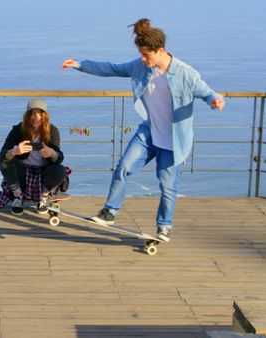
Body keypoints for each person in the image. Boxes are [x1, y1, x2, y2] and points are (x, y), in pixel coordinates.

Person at [62, 18, 225, 242]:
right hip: (149, 132)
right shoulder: (141, 67)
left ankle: (164, 226)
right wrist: (80, 64)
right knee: (124, 166)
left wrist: (215, 100)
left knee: (167, 186)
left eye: (146, 55)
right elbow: (112, 68)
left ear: (160, 51)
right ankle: (110, 211)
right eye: (141, 54)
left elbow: (207, 92)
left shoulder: (186, 74)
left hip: (173, 140)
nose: (142, 58)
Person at [0, 98, 68, 215]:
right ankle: (18, 196)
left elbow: (59, 157)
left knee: (60, 169)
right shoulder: (18, 129)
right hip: (22, 174)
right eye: (32, 113)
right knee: (4, 160)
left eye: (39, 113)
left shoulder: (53, 130)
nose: (36, 117)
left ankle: (43, 197)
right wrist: (14, 151)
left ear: (45, 116)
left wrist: (52, 153)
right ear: (27, 115)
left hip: (43, 174)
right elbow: (3, 153)